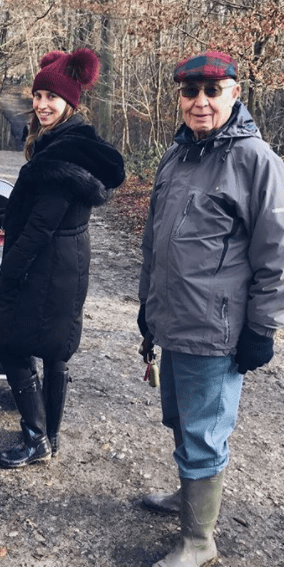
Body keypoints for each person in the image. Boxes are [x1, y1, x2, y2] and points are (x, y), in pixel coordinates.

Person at [138, 51, 284, 567]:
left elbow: (275, 255)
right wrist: (146, 308)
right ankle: (189, 501)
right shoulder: (176, 156)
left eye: (212, 91)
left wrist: (261, 328)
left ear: (234, 93)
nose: (199, 101)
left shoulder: (256, 160)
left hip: (217, 329)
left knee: (204, 431)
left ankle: (199, 540)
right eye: (189, 91)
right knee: (180, 418)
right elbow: (154, 243)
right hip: (173, 320)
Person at [0, 48, 125, 469]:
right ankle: (49, 435)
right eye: (39, 96)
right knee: (53, 348)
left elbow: (42, 224)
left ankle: (35, 438)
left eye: (52, 98)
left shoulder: (62, 152)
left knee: (8, 342)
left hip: (47, 261)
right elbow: (45, 209)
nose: (42, 105)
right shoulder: (71, 141)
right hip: (68, 259)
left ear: (70, 102)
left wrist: (8, 272)